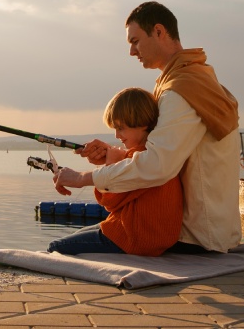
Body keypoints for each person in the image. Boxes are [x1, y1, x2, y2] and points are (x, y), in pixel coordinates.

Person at [53, 1, 242, 254]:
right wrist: (115, 155)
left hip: (195, 238)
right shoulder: (197, 78)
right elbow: (163, 152)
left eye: (135, 41)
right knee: (81, 237)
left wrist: (82, 178)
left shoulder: (180, 91)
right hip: (213, 232)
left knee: (58, 249)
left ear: (159, 31)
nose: (132, 51)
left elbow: (157, 165)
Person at [48, 88, 182, 256]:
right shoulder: (153, 155)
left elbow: (110, 203)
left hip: (136, 238)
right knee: (77, 235)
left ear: (143, 123)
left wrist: (111, 164)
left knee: (55, 247)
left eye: (121, 128)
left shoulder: (143, 162)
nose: (117, 135)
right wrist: (111, 160)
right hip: (150, 236)